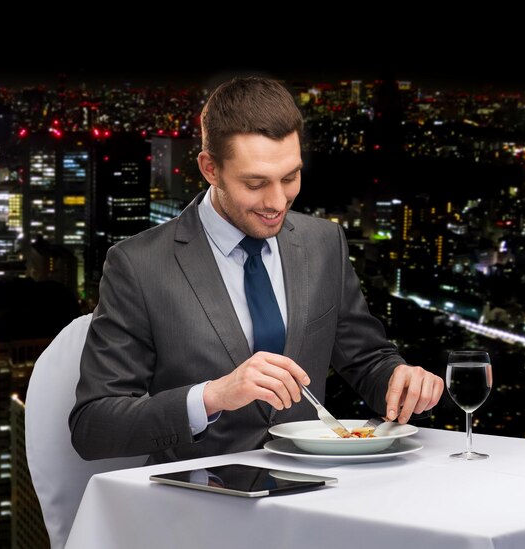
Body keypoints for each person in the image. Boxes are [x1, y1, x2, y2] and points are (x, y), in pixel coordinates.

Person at [69, 76, 444, 464]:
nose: (277, 202)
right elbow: (93, 427)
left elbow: (366, 359)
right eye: (255, 183)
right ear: (210, 169)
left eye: (290, 177)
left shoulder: (324, 243)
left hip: (316, 495)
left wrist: (402, 380)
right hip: (198, 503)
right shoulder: (138, 265)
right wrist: (213, 396)